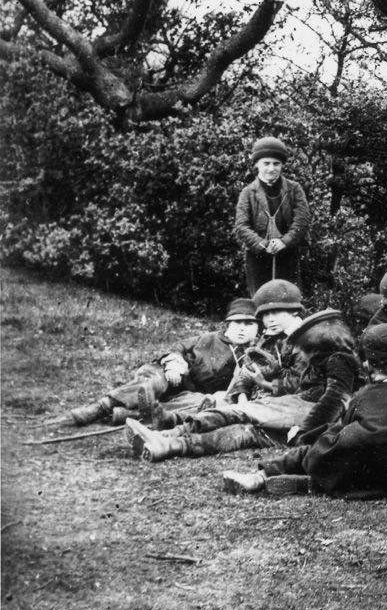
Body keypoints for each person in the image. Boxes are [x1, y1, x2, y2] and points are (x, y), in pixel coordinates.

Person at [222, 324, 387, 497]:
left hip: (354, 475)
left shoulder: (362, 396)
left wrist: (308, 437)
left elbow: (339, 429)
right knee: (349, 448)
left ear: (368, 365)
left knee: (314, 449)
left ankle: (263, 476)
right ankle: (307, 483)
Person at [127, 299, 361, 463]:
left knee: (240, 418)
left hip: (307, 416)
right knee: (243, 428)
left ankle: (169, 439)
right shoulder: (322, 359)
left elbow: (335, 399)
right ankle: (168, 442)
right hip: (301, 413)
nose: (306, 343)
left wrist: (307, 433)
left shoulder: (339, 359)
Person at [57, 298, 260, 428]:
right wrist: (174, 364)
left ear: (257, 328)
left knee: (201, 404)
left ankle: (122, 414)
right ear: (227, 324)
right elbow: (178, 347)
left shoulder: (257, 353)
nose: (242, 328)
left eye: (249, 324)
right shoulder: (209, 338)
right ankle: (101, 407)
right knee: (152, 382)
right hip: (171, 375)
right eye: (237, 323)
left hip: (192, 393)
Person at [234, 135, 311, 294]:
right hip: (258, 259)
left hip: (288, 256)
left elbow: (302, 221)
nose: (271, 169)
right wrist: (263, 245)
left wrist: (285, 241)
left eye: (276, 164)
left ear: (282, 165)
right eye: (266, 163)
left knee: (289, 299)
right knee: (261, 300)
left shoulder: (294, 189)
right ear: (257, 164)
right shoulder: (248, 193)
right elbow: (241, 226)